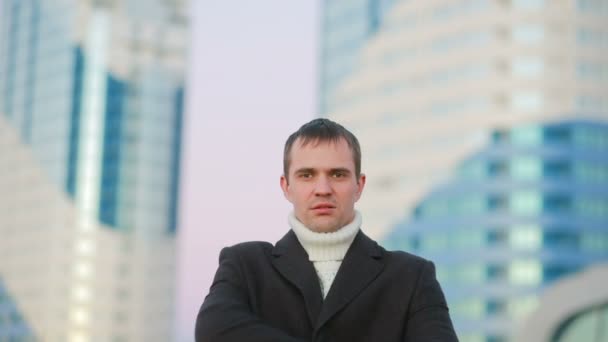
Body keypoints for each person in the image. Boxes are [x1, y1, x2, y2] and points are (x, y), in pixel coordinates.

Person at [195, 118, 458, 341]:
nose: (323, 189)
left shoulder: (411, 277)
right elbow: (212, 331)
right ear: (286, 186)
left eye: (338, 174)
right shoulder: (245, 265)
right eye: (307, 175)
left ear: (360, 185)